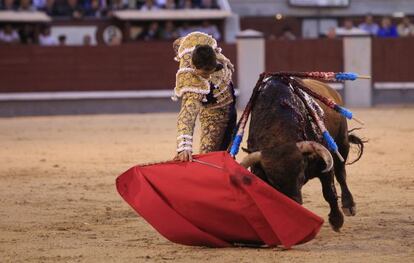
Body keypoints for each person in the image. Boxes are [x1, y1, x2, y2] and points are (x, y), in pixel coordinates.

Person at [172, 32, 236, 161]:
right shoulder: (192, 83)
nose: (207, 76)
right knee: (208, 158)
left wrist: (219, 56)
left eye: (210, 72)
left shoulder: (198, 44)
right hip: (214, 113)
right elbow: (187, 116)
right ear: (194, 67)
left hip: (230, 101)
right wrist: (184, 147)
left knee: (227, 151)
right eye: (204, 74)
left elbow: (179, 42)